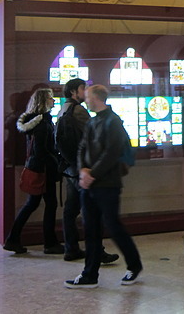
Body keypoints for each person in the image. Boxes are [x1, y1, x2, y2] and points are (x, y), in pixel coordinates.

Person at [65, 84, 142, 289]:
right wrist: (83, 171)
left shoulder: (113, 121)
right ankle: (89, 275)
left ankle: (134, 265)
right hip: (89, 184)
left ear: (98, 98)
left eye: (88, 97)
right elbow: (82, 147)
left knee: (114, 227)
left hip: (107, 184)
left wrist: (93, 174)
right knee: (90, 230)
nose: (85, 100)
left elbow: (112, 152)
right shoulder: (93, 121)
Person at [56, 78, 118, 265]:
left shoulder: (63, 108)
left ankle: (71, 248)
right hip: (82, 168)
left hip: (69, 168)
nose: (86, 92)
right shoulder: (79, 110)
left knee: (70, 210)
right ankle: (97, 252)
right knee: (92, 213)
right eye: (83, 88)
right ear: (74, 92)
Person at [3, 88, 64, 254]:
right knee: (48, 204)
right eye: (51, 98)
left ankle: (13, 239)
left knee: (32, 204)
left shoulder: (32, 122)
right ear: (44, 101)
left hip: (35, 168)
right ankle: (49, 243)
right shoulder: (42, 123)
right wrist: (56, 162)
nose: (53, 101)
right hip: (45, 170)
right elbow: (42, 150)